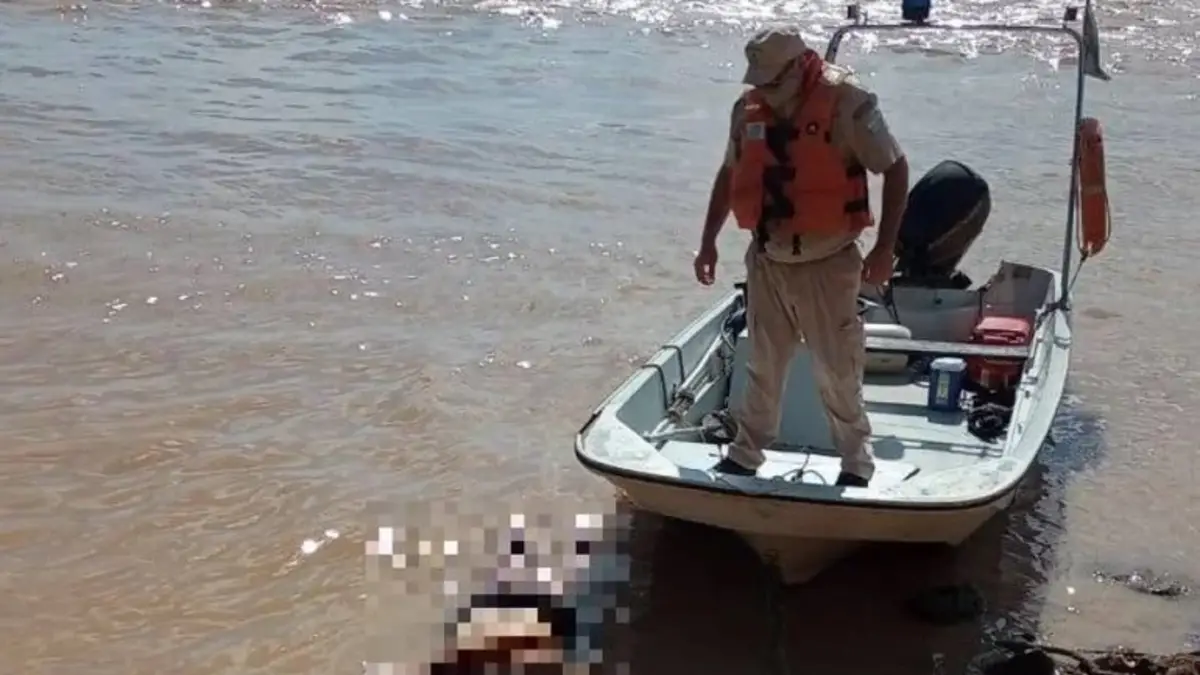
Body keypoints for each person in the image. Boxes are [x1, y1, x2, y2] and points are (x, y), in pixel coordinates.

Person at [692, 27, 909, 488]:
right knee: (762, 365)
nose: (764, 89)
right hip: (768, 259)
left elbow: (895, 167)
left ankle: (855, 463)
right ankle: (745, 455)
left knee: (837, 369)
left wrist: (885, 247)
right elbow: (730, 174)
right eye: (759, 81)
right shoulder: (748, 108)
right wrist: (708, 241)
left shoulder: (847, 102)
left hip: (828, 261)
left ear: (799, 66)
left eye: (772, 80)